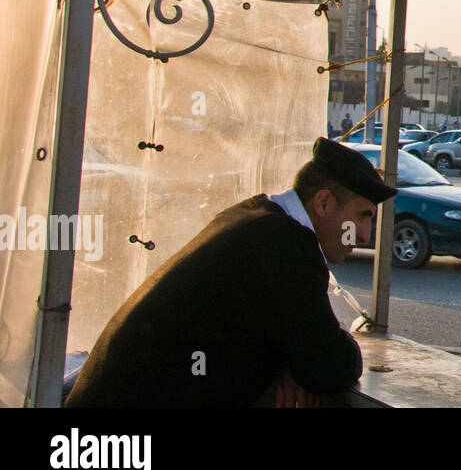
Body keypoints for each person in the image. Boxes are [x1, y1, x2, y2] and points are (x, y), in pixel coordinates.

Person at [65, 138, 396, 407]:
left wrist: (291, 361)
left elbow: (297, 344)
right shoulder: (287, 245)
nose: (365, 236)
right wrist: (307, 359)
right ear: (323, 202)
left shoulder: (255, 216)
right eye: (363, 216)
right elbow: (329, 367)